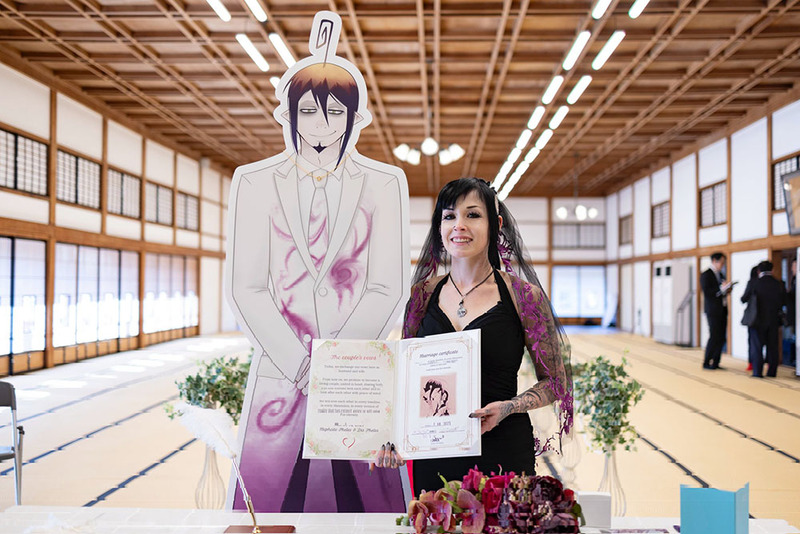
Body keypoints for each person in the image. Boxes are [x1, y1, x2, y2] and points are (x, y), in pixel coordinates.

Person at [226, 12, 409, 512]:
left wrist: (333, 364)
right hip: (280, 376)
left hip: (357, 378)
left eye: (334, 113)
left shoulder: (384, 184)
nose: (322, 127)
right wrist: (301, 365)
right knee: (269, 506)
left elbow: (387, 286)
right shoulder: (254, 182)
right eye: (308, 112)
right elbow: (248, 287)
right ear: (289, 114)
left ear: (353, 118)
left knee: (368, 507)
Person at [372, 177, 573, 496]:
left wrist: (509, 407)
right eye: (449, 216)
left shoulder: (523, 296)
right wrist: (390, 434)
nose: (459, 225)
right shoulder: (422, 295)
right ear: (439, 226)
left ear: (496, 224)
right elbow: (408, 378)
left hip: (503, 450)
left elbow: (556, 382)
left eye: (473, 215)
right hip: (436, 450)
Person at [742, 261, 787, 377]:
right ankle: (772, 372)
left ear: (758, 271)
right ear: (772, 270)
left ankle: (757, 372)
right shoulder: (779, 284)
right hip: (773, 320)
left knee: (757, 347)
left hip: (757, 320)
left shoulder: (754, 283)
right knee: (772, 347)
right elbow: (784, 301)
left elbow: (743, 299)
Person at [700, 252, 734, 370]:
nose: (723, 265)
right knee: (714, 335)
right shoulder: (706, 274)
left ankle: (716, 362)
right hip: (712, 310)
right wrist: (720, 289)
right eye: (722, 262)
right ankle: (706, 361)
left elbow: (722, 292)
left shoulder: (720, 274)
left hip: (722, 309)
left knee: (721, 336)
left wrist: (728, 288)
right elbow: (708, 292)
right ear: (714, 260)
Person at [740, 265, 760, 373]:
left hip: (753, 317)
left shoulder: (752, 283)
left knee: (753, 341)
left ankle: (752, 363)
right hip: (762, 317)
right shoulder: (771, 282)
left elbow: (743, 298)